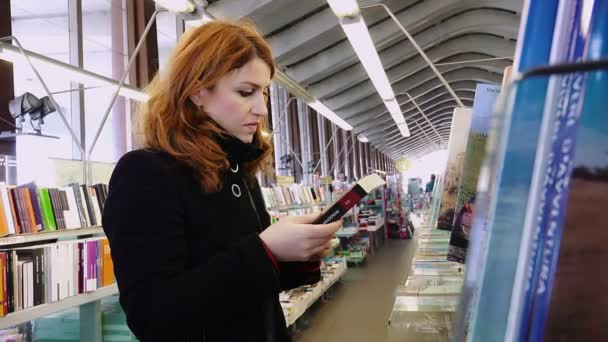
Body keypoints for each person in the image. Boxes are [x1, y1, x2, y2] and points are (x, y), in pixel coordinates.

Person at [102, 21, 342, 342]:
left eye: (265, 92)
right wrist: (265, 249)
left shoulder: (238, 170)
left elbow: (250, 283)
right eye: (246, 92)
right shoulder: (145, 174)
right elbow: (154, 316)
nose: (261, 109)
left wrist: (298, 252)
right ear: (199, 90)